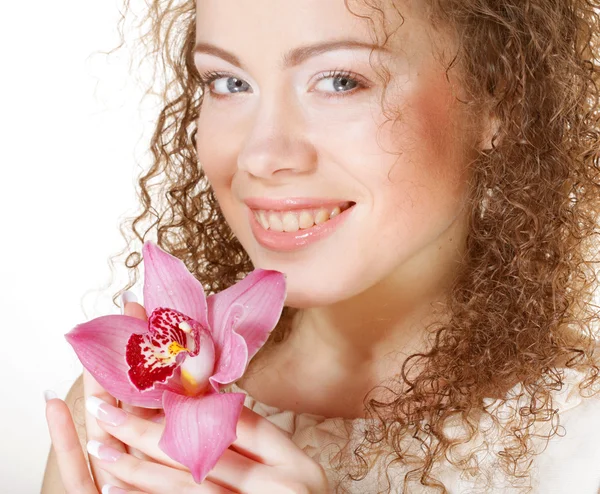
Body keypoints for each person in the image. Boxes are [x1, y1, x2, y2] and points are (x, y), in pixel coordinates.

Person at [42, 0, 600, 492]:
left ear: (499, 98)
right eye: (227, 82)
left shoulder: (582, 444)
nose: (260, 156)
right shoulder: (125, 421)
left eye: (339, 80)